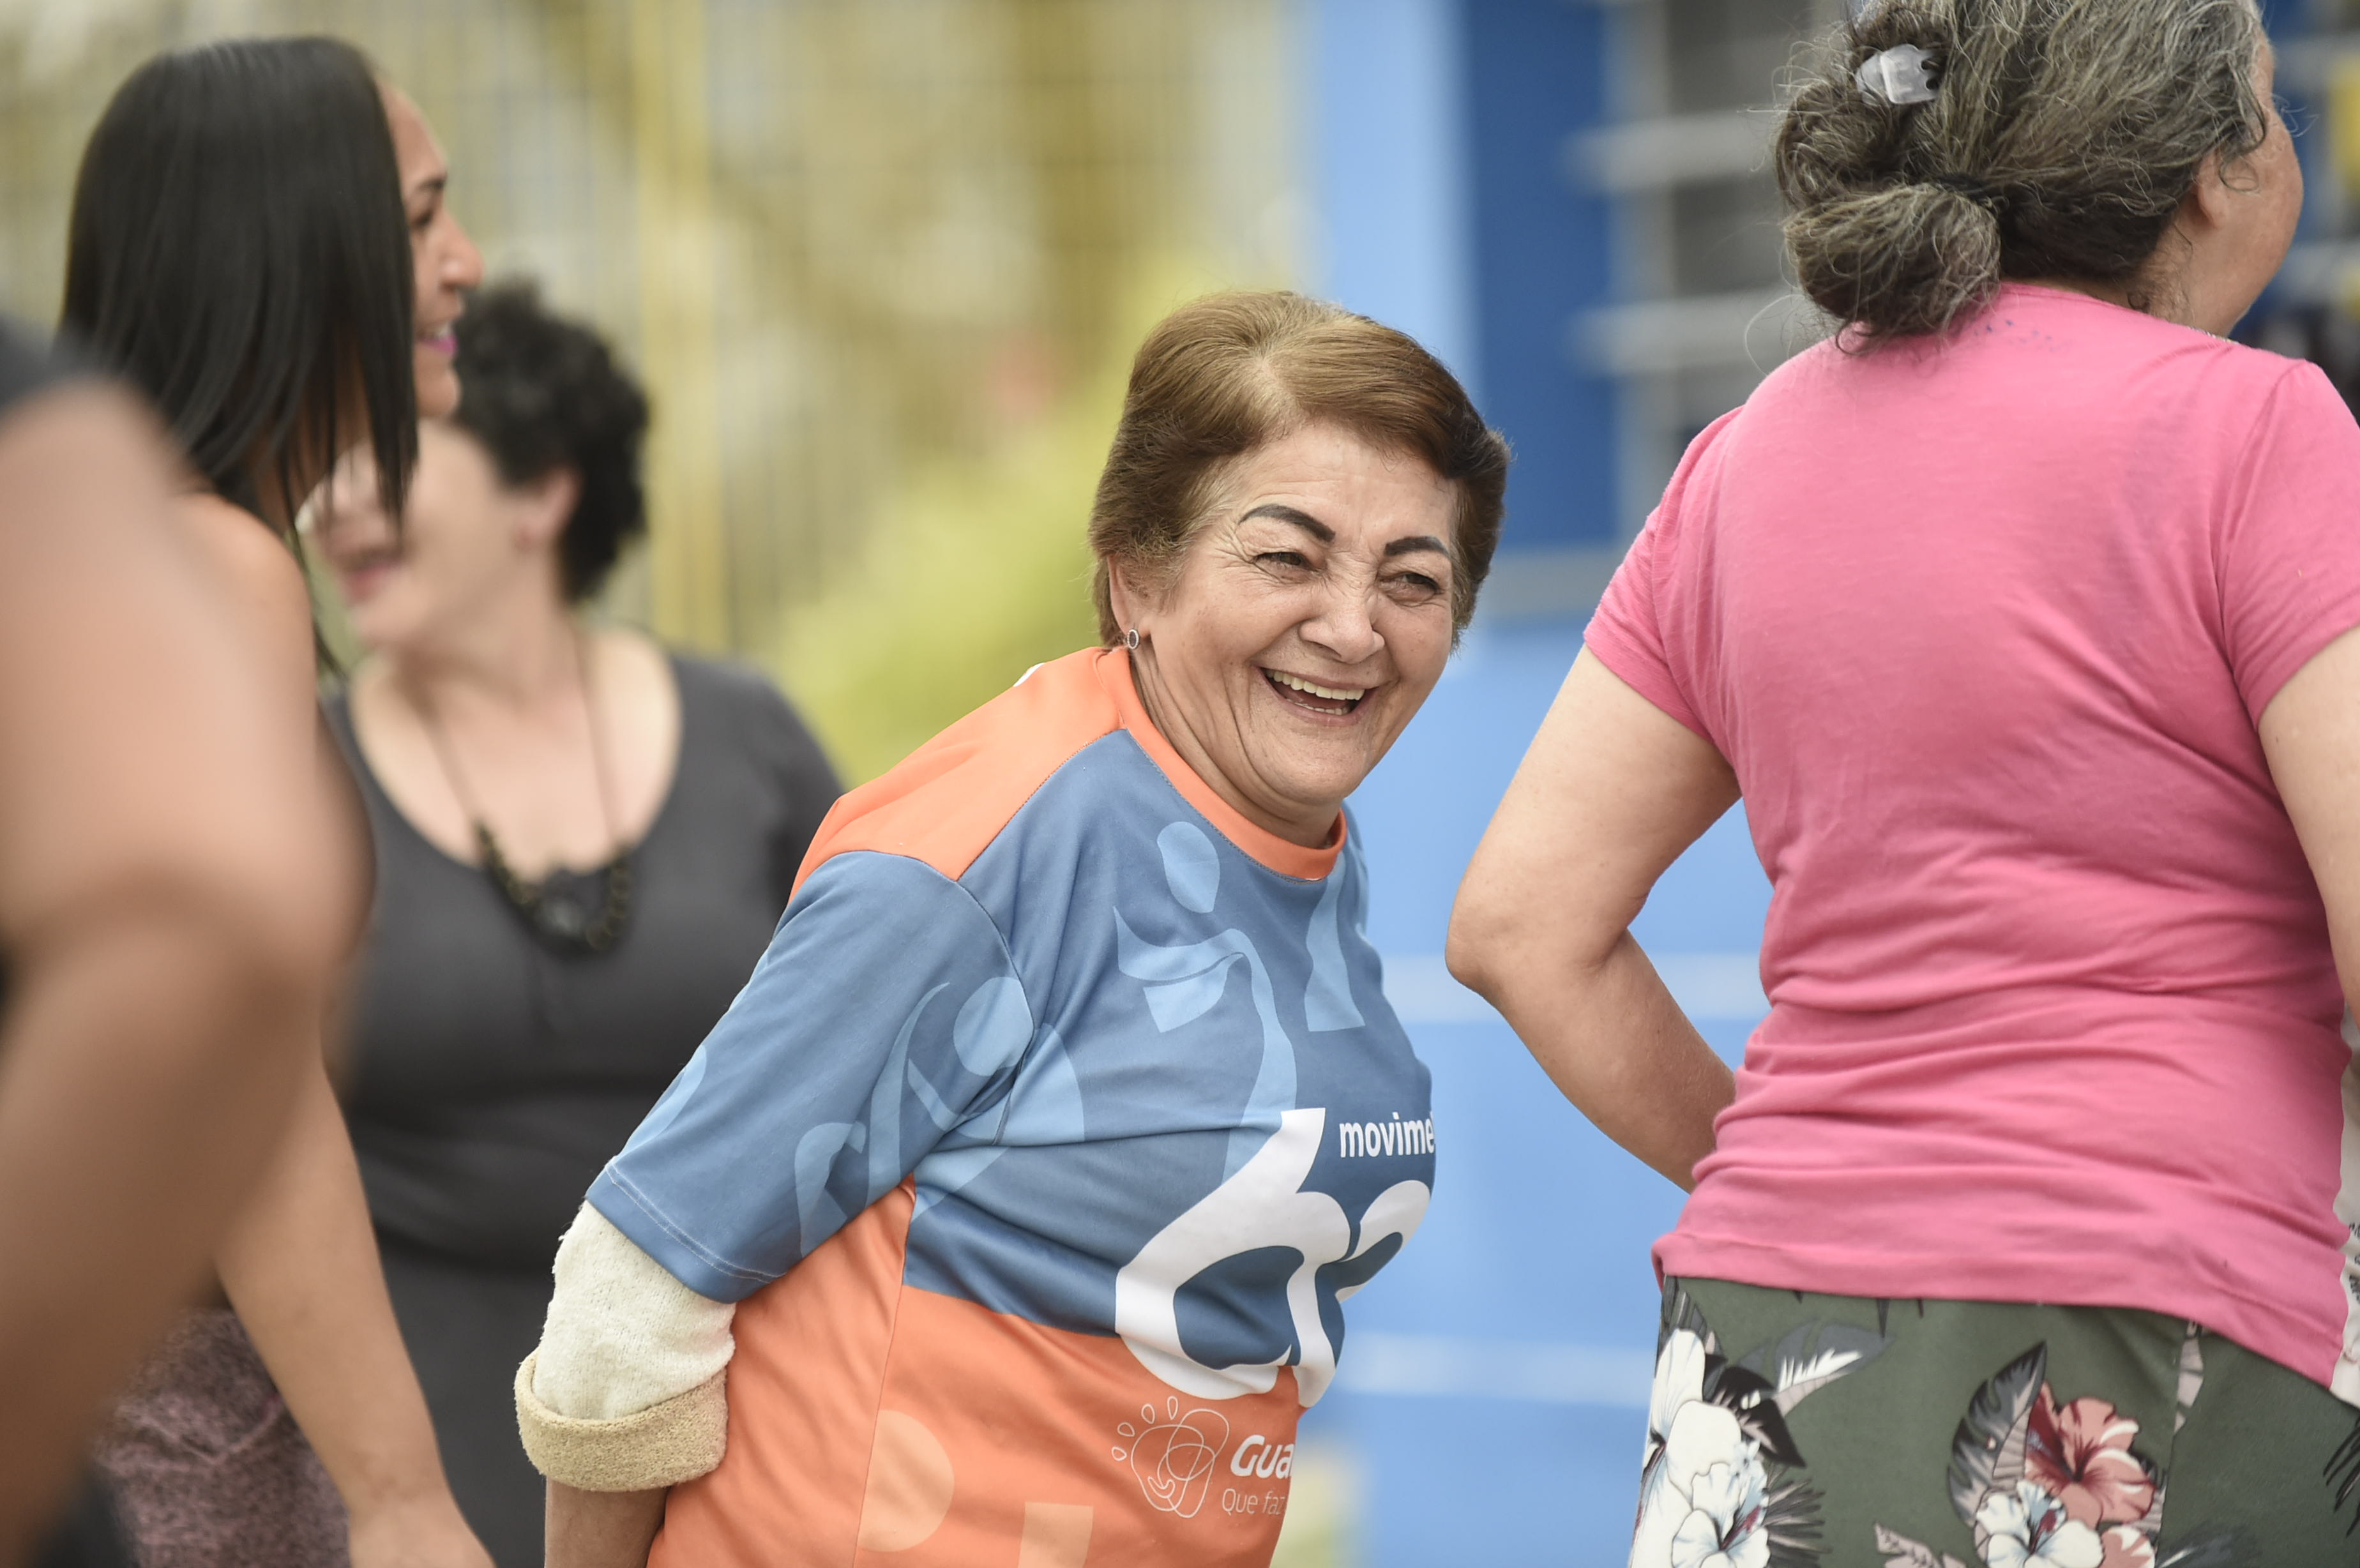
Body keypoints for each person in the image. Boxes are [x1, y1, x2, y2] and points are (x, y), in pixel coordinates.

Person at [1449, 1, 2360, 1562]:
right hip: (2158, 1337)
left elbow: (1518, 926)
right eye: (2279, 109)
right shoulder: (2260, 430)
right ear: (2214, 174)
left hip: (1763, 1357)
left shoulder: (1743, 457)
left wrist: (1840, 1183)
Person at [511, 290, 1506, 1568]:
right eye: (1287, 558)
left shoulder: (1284, 831)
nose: (1355, 627)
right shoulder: (992, 843)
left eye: (1414, 580)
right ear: (1137, 575)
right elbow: (630, 1289)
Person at [314, 282, 840, 1568]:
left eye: (381, 453)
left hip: (741, 1410)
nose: (329, 500)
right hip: (418, 1445)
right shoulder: (294, 771)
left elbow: (883, 1047)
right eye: (321, 460)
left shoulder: (751, 737)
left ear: (541, 491)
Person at [60, 37, 490, 1567]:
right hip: (147, 1421)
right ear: (299, 250)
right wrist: (401, 1494)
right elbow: (236, 1075)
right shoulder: (210, 566)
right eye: (423, 217)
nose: (465, 261)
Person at [0, 342, 356, 1565]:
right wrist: (401, 1489)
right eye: (417, 241)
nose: (462, 266)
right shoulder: (196, 544)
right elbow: (219, 925)